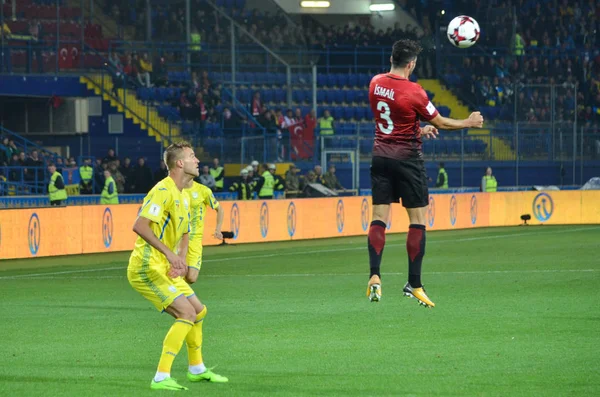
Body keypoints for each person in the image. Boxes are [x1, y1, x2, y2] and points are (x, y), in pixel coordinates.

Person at [366, 39, 484, 307]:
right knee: (417, 220)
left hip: (380, 156)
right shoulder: (414, 91)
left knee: (379, 218)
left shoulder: (375, 83)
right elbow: (440, 121)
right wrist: (469, 122)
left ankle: (374, 275)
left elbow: (389, 122)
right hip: (407, 160)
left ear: (391, 60)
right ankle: (414, 283)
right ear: (411, 64)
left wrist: (417, 129)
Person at [127, 141, 227, 391]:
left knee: (199, 311)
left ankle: (196, 369)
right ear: (180, 163)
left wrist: (180, 260)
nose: (198, 161)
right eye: (193, 156)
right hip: (146, 268)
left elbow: (185, 233)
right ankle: (161, 377)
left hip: (165, 267)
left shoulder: (182, 195)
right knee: (187, 314)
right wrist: (171, 255)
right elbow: (140, 226)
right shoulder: (163, 190)